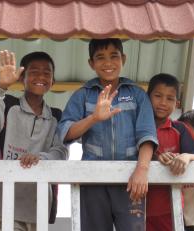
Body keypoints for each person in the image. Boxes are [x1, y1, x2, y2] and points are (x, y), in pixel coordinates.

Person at [58, 38, 158, 231]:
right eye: (100, 57)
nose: (108, 63)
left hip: (131, 181)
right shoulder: (83, 95)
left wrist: (142, 170)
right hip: (92, 181)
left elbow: (147, 135)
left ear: (124, 59)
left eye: (114, 56)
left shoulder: (137, 94)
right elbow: (66, 133)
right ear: (91, 63)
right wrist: (94, 118)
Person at [0, 50, 68, 231]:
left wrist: (40, 157)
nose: (41, 76)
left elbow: (61, 151)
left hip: (39, 205)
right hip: (6, 203)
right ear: (20, 78)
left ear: (53, 82)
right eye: (33, 72)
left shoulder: (56, 116)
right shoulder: (7, 106)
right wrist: (1, 85)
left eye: (47, 73)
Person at [146, 73, 194, 231]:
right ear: (147, 97)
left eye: (170, 98)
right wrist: (156, 157)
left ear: (177, 103)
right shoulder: (138, 127)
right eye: (158, 96)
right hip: (137, 206)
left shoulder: (179, 128)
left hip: (170, 207)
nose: (163, 103)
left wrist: (186, 156)